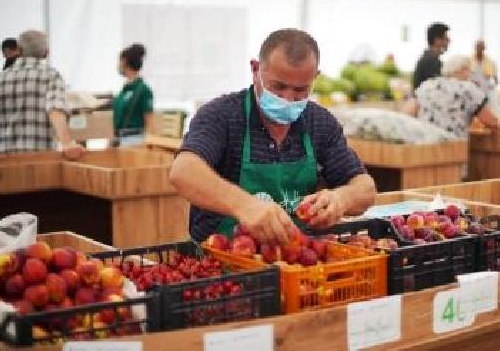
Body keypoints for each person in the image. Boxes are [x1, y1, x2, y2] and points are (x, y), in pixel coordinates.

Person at [170, 29, 376, 245]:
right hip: (221, 263)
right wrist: (245, 205)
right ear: (255, 69)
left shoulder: (320, 123)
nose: (288, 98)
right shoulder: (222, 115)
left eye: (300, 90)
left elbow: (365, 188)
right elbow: (183, 171)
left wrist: (341, 199)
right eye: (278, 87)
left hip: (295, 263)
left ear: (315, 78)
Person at [0, 30, 83, 159]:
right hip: (39, 157)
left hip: (3, 158)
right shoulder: (51, 75)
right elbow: (55, 109)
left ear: (19, 50)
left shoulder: (1, 78)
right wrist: (68, 144)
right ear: (46, 52)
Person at [404, 55, 500, 139]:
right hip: (453, 151)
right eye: (470, 71)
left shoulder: (426, 85)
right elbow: (492, 123)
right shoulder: (468, 89)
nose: (471, 75)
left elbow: (407, 114)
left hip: (425, 148)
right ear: (463, 70)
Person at [112, 43, 153, 146]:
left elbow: (150, 122)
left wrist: (146, 145)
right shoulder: (124, 90)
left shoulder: (143, 89)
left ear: (124, 62)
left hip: (135, 141)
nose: (118, 65)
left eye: (119, 61)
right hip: (120, 140)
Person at [412, 23, 449, 90]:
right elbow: (439, 90)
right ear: (437, 40)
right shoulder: (431, 61)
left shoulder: (427, 58)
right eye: (446, 38)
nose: (449, 41)